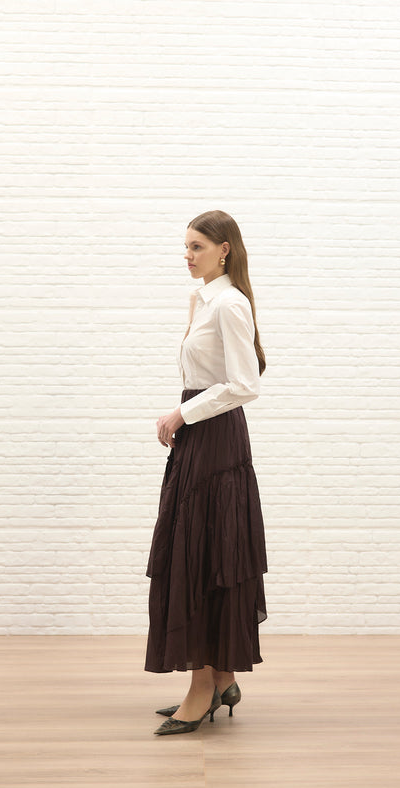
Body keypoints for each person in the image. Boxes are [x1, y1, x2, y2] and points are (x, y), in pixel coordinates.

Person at [145, 209, 268, 736]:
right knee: (204, 551)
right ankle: (221, 679)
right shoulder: (204, 300)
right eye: (187, 247)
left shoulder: (230, 303)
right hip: (202, 435)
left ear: (224, 250)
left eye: (197, 246)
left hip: (215, 439)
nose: (188, 255)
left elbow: (246, 384)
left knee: (203, 555)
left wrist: (182, 413)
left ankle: (202, 688)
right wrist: (186, 414)